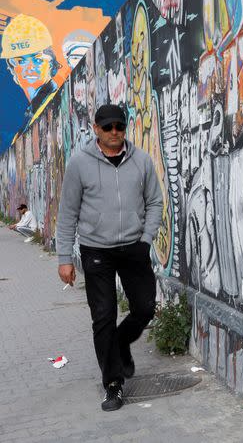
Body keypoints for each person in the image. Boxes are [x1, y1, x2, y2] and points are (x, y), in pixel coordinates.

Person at [56, 104, 163, 412]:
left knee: (144, 308)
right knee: (103, 316)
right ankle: (113, 384)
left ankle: (120, 343)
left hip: (134, 247)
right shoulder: (79, 163)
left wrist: (146, 239)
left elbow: (154, 202)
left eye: (119, 126)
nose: (114, 132)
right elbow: (67, 213)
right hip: (96, 249)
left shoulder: (141, 161)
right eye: (108, 127)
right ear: (96, 128)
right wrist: (65, 257)